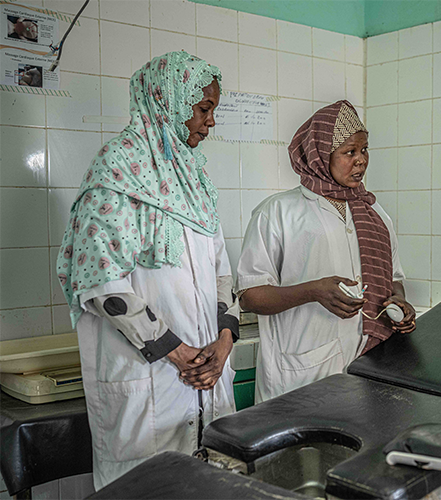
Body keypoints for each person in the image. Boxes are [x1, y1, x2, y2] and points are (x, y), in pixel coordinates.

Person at [56, 51, 238, 490]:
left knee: (213, 485)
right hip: (150, 381)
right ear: (170, 102)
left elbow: (222, 271)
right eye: (204, 108)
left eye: (213, 109)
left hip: (207, 377)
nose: (210, 121)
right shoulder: (117, 171)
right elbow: (100, 284)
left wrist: (224, 341)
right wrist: (179, 353)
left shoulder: (195, 180)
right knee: (148, 489)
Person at [236, 100, 416, 403]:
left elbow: (393, 277)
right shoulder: (278, 212)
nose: (360, 161)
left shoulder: (375, 214)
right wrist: (312, 292)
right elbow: (250, 296)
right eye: (349, 152)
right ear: (321, 155)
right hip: (299, 376)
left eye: (364, 150)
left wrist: (398, 301)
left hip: (368, 369)